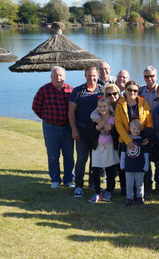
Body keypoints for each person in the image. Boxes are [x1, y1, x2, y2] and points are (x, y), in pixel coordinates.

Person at [32, 66, 75, 189]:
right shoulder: (44, 90)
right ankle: (55, 180)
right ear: (51, 77)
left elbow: (75, 109)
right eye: (55, 75)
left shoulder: (70, 90)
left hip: (67, 128)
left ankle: (68, 180)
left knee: (69, 156)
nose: (58, 78)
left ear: (65, 77)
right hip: (50, 128)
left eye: (60, 75)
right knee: (53, 156)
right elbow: (35, 107)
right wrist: (46, 118)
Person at [114, 81, 154, 200]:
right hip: (126, 139)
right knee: (126, 164)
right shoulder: (120, 104)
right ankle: (126, 191)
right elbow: (118, 124)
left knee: (143, 165)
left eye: (135, 91)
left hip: (140, 139)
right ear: (125, 90)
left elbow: (149, 119)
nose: (132, 92)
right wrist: (128, 141)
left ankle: (142, 191)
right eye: (130, 90)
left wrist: (148, 137)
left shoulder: (143, 102)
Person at [68, 66, 103, 197]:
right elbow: (70, 112)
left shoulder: (102, 90)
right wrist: (74, 130)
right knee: (82, 159)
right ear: (85, 76)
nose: (92, 78)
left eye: (94, 75)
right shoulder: (78, 91)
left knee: (96, 159)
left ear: (97, 76)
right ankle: (78, 185)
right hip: (81, 131)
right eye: (89, 75)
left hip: (97, 132)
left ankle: (93, 183)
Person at [88, 97, 120, 203]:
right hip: (98, 147)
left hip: (110, 146)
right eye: (100, 107)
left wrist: (111, 129)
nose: (102, 108)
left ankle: (109, 191)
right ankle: (97, 192)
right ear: (98, 108)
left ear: (109, 106)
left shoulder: (114, 119)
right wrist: (97, 128)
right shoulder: (96, 119)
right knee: (96, 170)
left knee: (110, 170)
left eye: (104, 106)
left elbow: (117, 135)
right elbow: (91, 135)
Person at [139, 66, 159, 194]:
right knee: (146, 158)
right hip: (146, 130)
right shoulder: (140, 91)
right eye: (146, 76)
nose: (149, 79)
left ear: (156, 76)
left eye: (152, 76)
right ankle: (147, 183)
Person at [120, 119, 150, 207]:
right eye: (134, 128)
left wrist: (146, 165)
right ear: (129, 128)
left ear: (140, 129)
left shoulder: (143, 141)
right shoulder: (126, 140)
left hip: (140, 167)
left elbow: (146, 154)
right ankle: (129, 198)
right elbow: (123, 153)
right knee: (129, 183)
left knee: (139, 184)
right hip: (129, 166)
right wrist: (122, 164)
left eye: (138, 129)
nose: (136, 131)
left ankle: (140, 198)